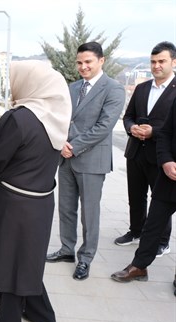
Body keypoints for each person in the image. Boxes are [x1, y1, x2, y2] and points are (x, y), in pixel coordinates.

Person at [0, 60, 72, 322]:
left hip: (11, 205)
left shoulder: (19, 118)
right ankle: (42, 314)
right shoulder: (57, 117)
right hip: (40, 202)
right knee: (26, 260)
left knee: (8, 263)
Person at [46, 42, 125, 280]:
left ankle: (86, 258)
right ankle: (67, 249)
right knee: (66, 208)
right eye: (79, 62)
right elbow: (60, 117)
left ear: (101, 60)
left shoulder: (113, 89)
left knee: (89, 213)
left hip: (91, 160)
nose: (83, 67)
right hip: (66, 157)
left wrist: (74, 147)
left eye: (88, 62)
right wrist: (62, 144)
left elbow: (104, 127)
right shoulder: (72, 87)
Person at [115, 41, 176, 257]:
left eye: (162, 61)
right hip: (135, 152)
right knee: (136, 195)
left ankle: (162, 241)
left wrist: (154, 132)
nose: (156, 65)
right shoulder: (142, 88)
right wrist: (132, 128)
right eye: (153, 61)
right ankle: (136, 231)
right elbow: (128, 116)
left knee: (161, 200)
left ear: (173, 62)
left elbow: (171, 128)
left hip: (161, 155)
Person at [111, 98, 176, 297]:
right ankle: (139, 266)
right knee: (153, 224)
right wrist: (166, 160)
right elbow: (165, 133)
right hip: (169, 175)